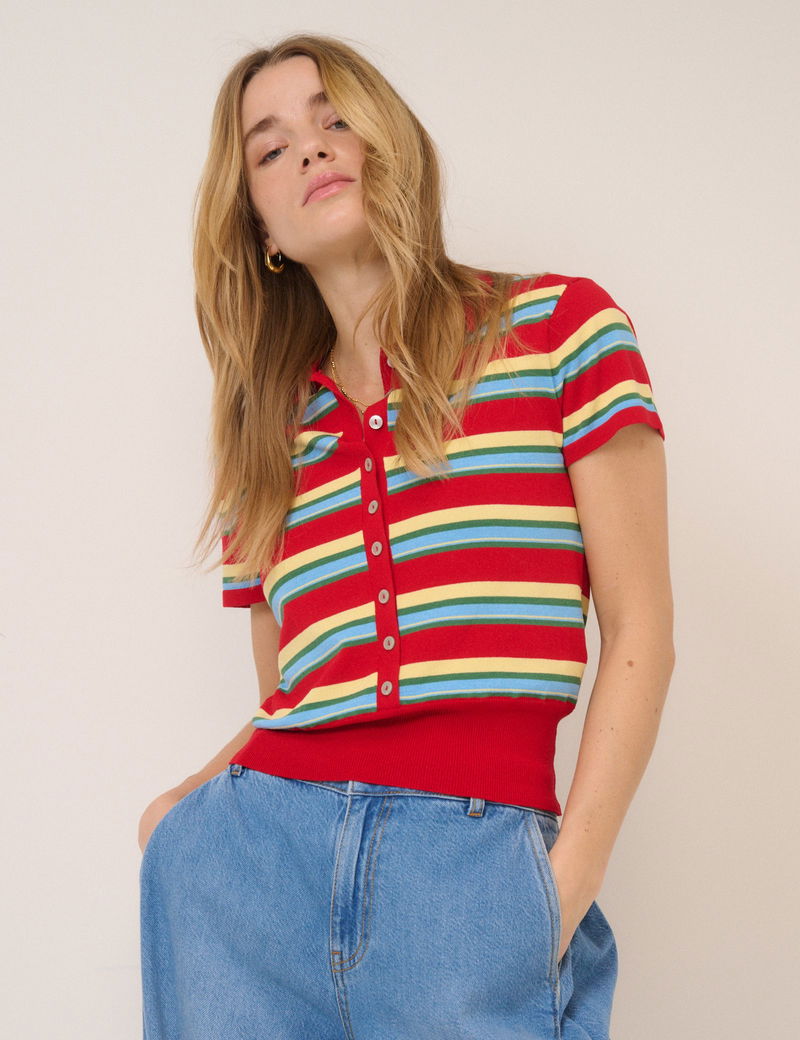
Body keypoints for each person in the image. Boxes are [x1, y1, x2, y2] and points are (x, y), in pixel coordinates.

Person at [138, 31, 674, 1040]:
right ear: (260, 226)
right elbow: (296, 702)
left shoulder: (559, 329)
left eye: (334, 117)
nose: (310, 147)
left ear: (388, 139)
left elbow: (641, 627)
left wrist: (563, 885)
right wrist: (176, 819)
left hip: (475, 878)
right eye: (270, 147)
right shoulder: (266, 442)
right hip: (255, 886)